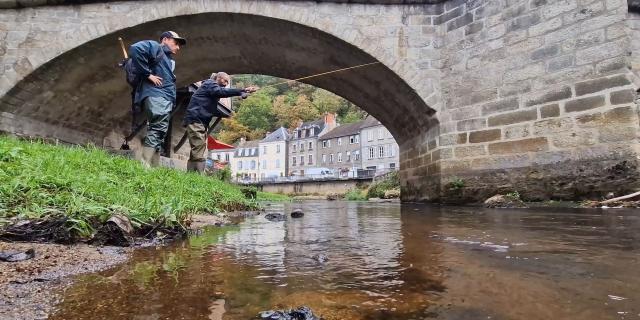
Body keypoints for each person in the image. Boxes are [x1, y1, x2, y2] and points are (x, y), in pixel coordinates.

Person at [129, 31, 186, 167]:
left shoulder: (166, 58)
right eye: (176, 43)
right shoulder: (156, 47)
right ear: (165, 39)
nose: (178, 47)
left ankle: (154, 165)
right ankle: (144, 164)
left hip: (163, 97)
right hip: (157, 95)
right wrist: (147, 74)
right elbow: (136, 48)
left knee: (160, 130)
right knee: (158, 127)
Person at [183, 72, 258, 172]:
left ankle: (191, 173)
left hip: (199, 121)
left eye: (228, 82)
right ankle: (197, 174)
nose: (226, 83)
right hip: (196, 119)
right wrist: (241, 91)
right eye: (225, 80)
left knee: (199, 147)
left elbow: (222, 92)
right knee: (199, 145)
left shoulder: (210, 87)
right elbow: (221, 92)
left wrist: (243, 91)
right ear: (218, 78)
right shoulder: (210, 84)